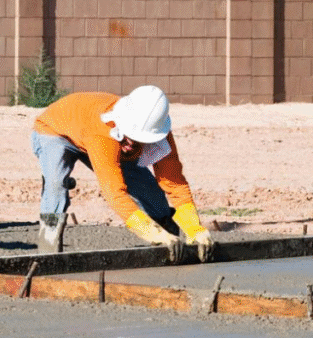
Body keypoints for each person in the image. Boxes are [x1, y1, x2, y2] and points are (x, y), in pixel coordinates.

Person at [31, 85, 214, 261]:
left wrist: (193, 227)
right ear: (121, 123)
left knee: (148, 191)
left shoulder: (158, 132)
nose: (130, 143)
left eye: (138, 139)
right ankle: (48, 249)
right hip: (55, 130)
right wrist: (150, 232)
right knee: (56, 183)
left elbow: (174, 183)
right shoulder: (104, 132)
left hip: (95, 133)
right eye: (128, 136)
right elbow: (114, 192)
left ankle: (169, 242)